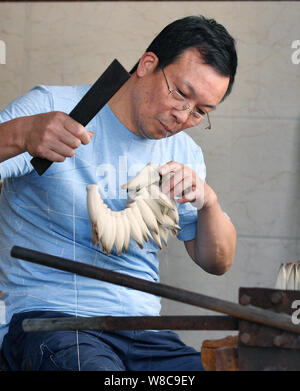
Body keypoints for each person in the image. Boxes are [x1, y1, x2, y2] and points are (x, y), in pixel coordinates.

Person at [0, 15, 237, 371]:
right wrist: (21, 134)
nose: (182, 115)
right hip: (50, 320)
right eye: (181, 94)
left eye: (200, 111)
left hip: (143, 331)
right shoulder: (52, 107)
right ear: (147, 64)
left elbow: (218, 263)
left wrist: (208, 204)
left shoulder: (185, 154)